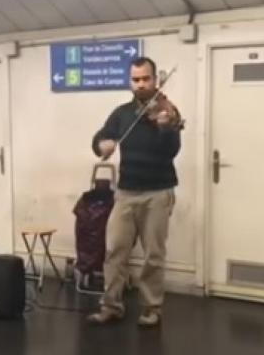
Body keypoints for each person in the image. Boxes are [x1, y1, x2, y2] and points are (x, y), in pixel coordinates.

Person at [87, 56, 183, 327]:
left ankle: (152, 307)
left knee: (154, 253)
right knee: (115, 249)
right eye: (136, 79)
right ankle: (111, 305)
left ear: (155, 79)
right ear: (130, 81)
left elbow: (171, 151)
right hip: (126, 192)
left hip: (158, 191)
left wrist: (165, 128)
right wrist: (102, 146)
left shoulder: (166, 111)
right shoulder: (122, 113)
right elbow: (100, 138)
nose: (141, 84)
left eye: (146, 79)